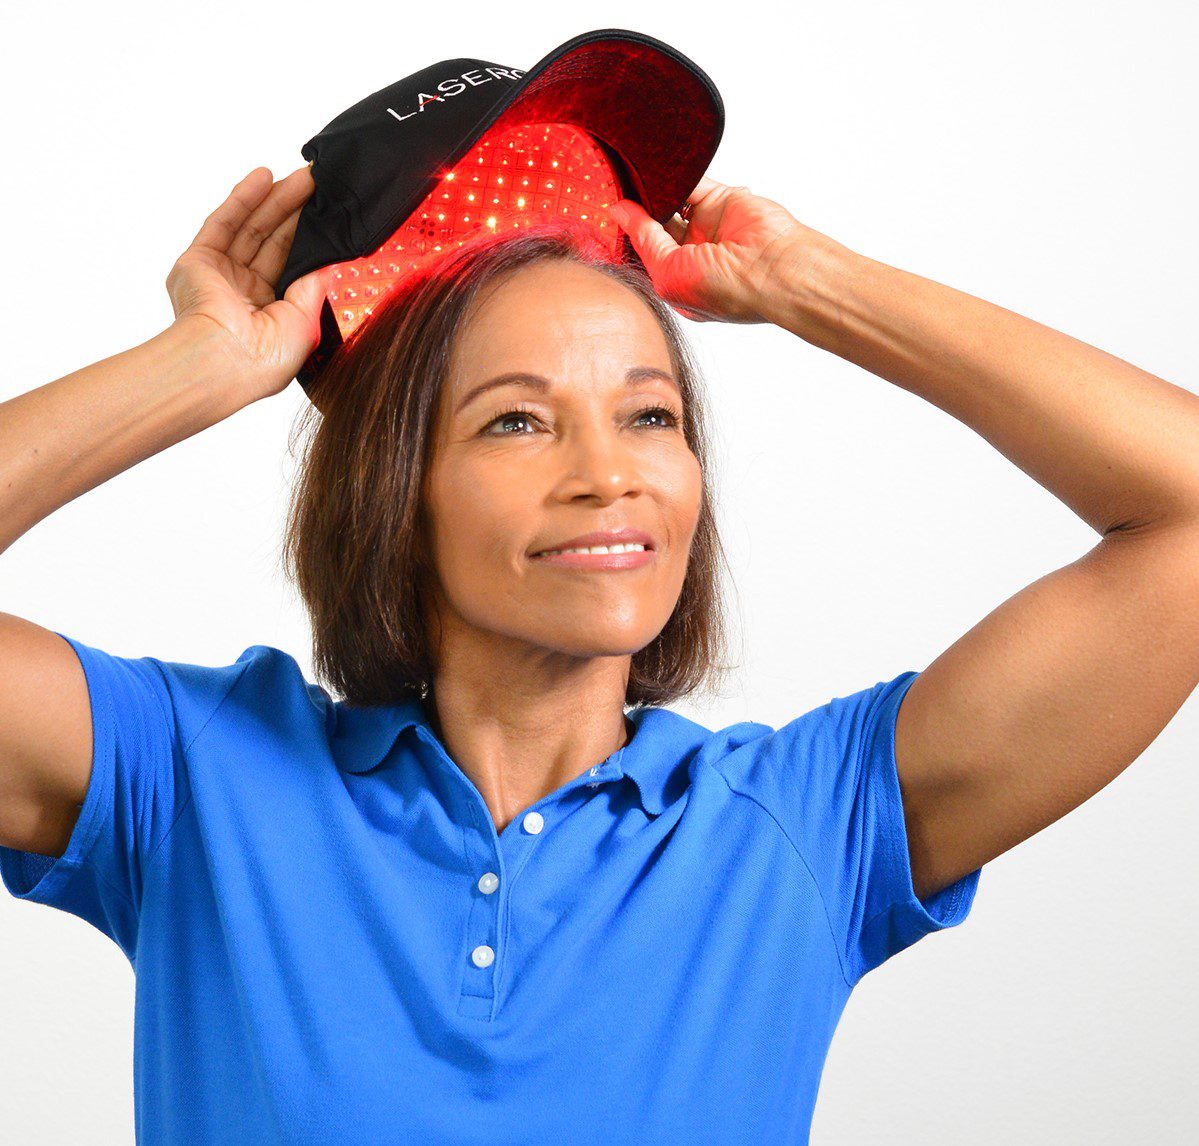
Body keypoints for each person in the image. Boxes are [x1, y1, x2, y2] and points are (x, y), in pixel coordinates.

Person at [1, 163, 1196, 1143]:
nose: (608, 473)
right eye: (515, 419)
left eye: (649, 415)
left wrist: (805, 283)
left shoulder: (799, 825)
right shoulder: (195, 779)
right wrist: (197, 364)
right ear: (394, 490)